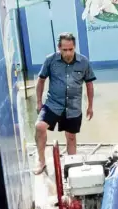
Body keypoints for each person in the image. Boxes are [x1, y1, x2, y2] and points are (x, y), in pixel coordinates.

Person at [33, 32, 96, 175]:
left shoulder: (84, 62)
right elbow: (41, 80)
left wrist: (90, 106)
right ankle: (41, 160)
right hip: (53, 103)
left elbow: (89, 85)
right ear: (59, 48)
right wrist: (38, 102)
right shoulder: (50, 60)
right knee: (40, 126)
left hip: (73, 106)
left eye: (71, 49)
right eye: (64, 50)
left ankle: (72, 166)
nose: (68, 53)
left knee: (71, 137)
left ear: (74, 47)